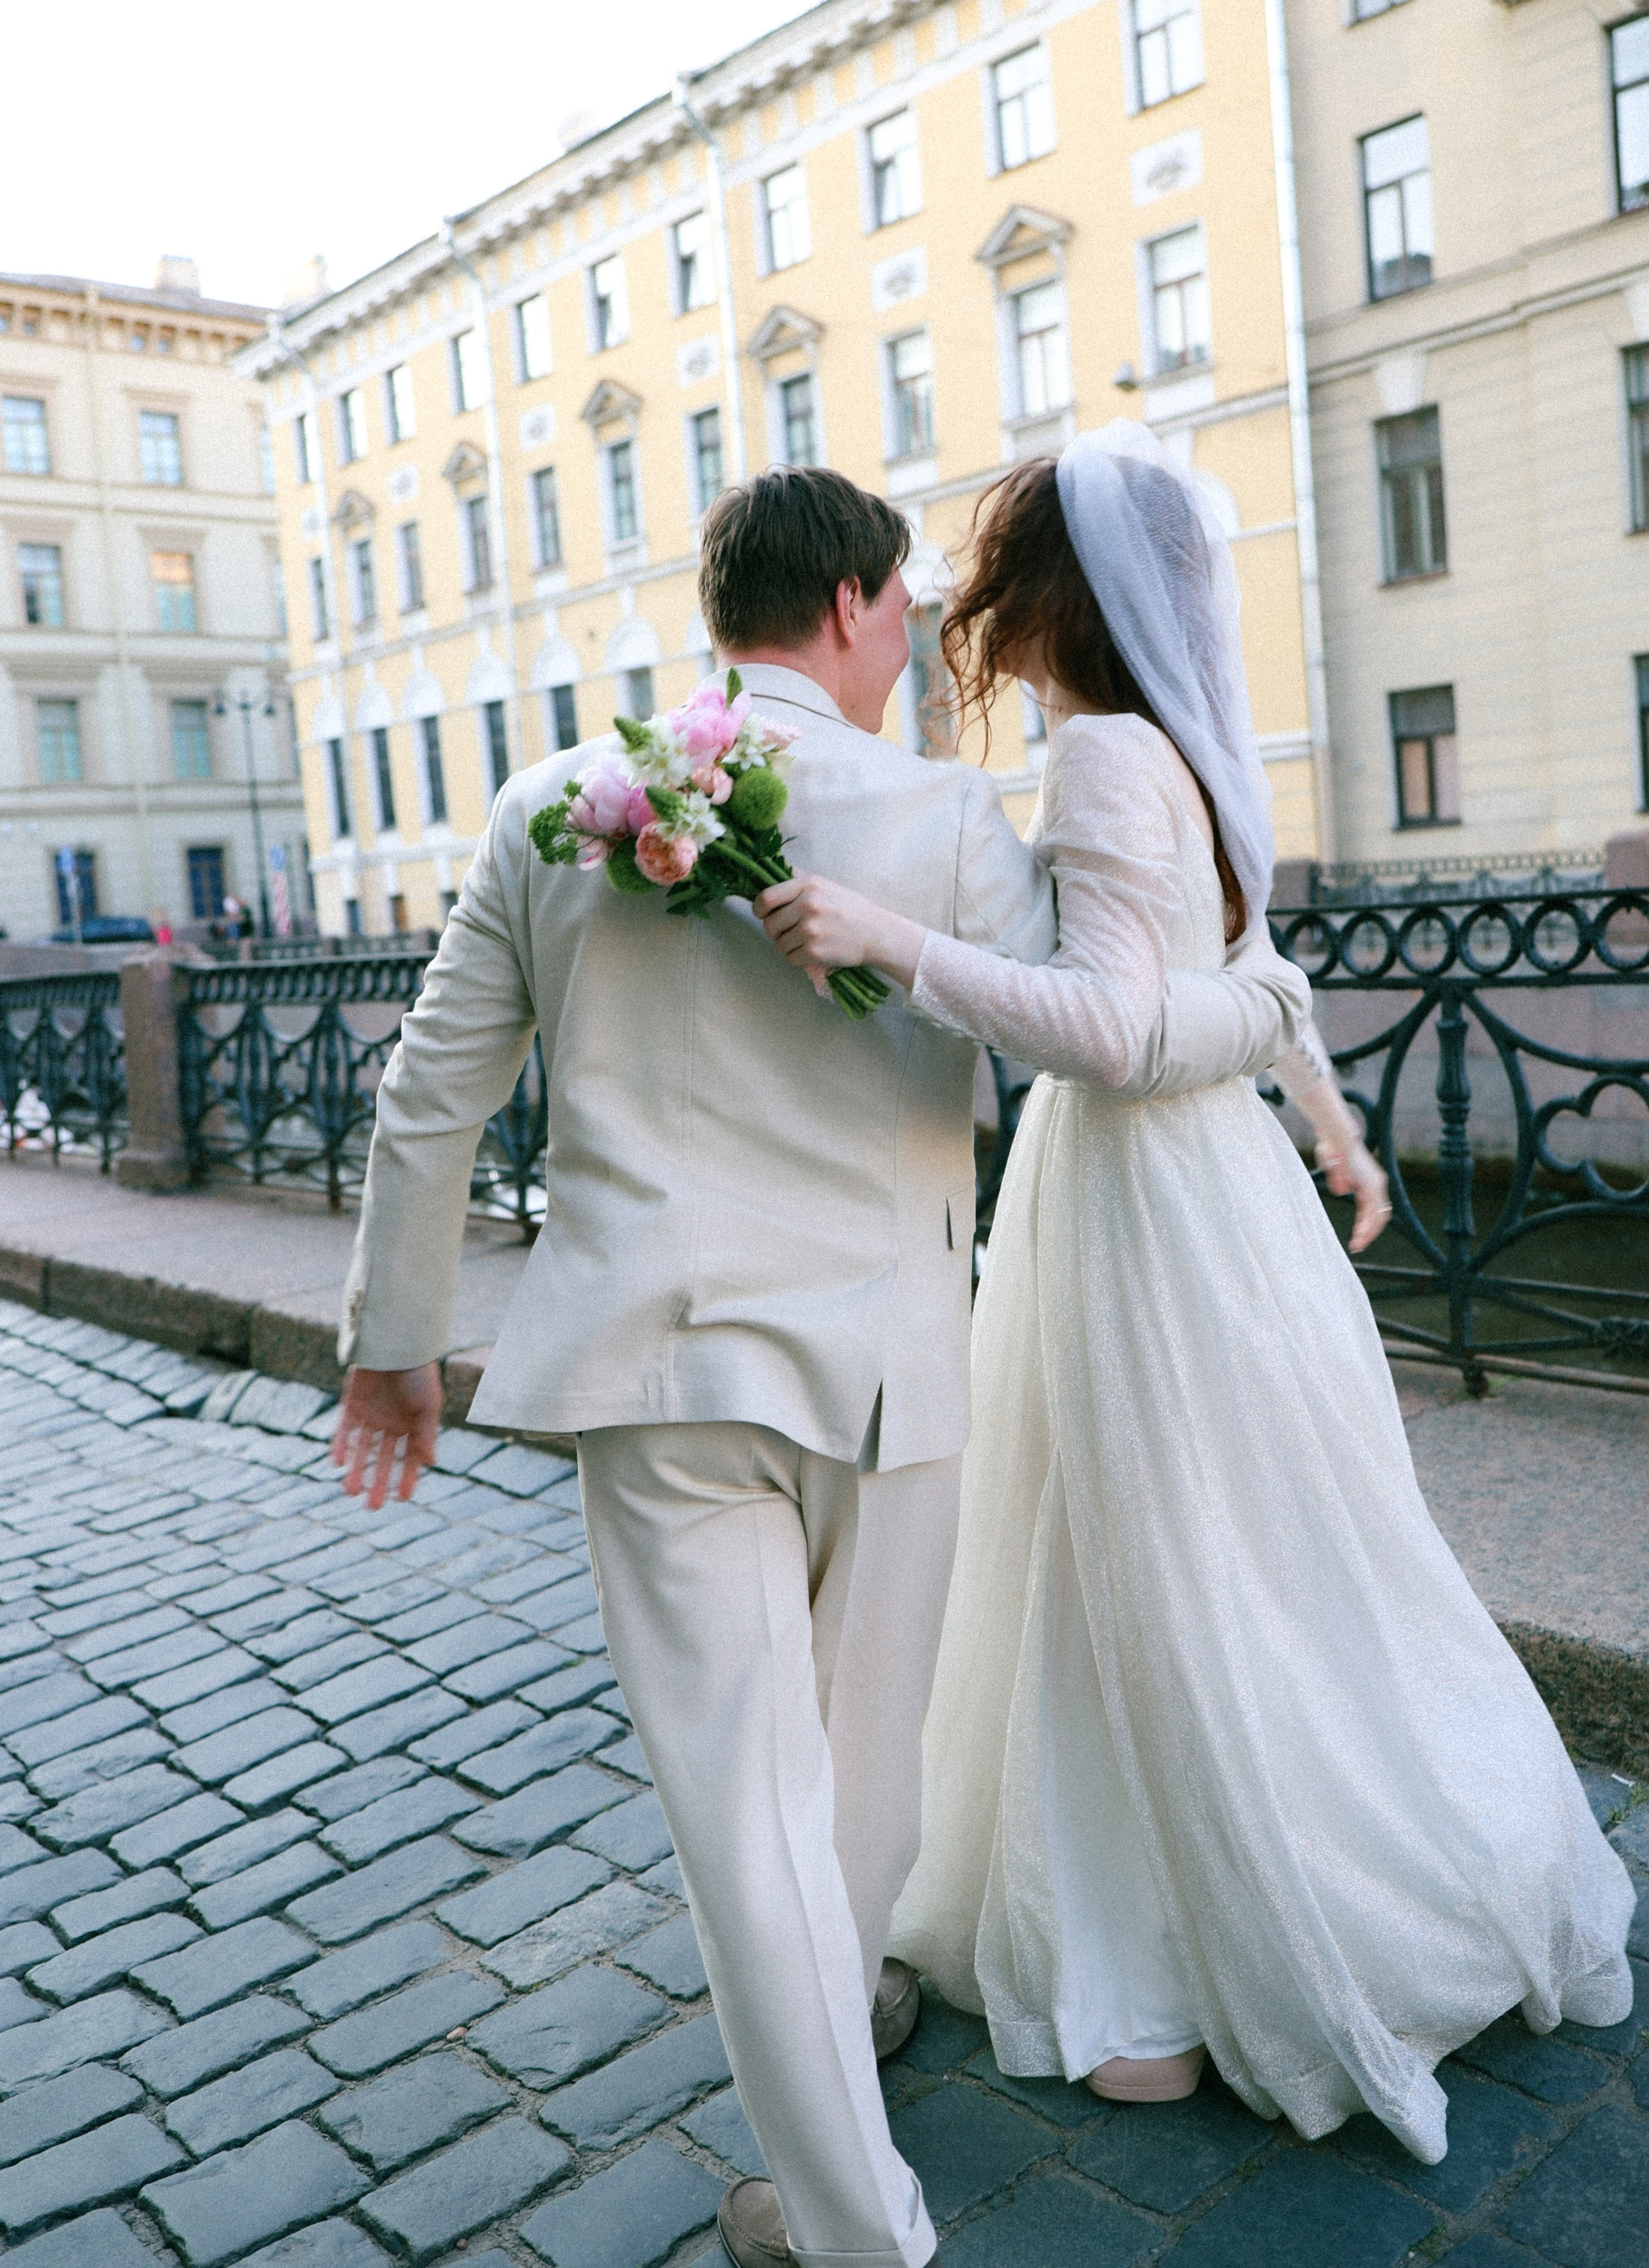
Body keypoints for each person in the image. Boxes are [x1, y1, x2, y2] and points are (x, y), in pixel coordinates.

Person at [326, 464, 1311, 2268]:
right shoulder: (943, 821)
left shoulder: (556, 807)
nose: (912, 652)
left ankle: (845, 2194)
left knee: (744, 1800)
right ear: (853, 603)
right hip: (887, 1371)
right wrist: (1270, 1007)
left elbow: (430, 1096)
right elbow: (1113, 1033)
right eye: (905, 617)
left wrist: (395, 1352)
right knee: (860, 1778)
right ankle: (849, 2181)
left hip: (658, 1377)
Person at [756, 425, 1634, 2166]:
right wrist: (1336, 1138)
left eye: (1002, 586)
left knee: (1126, 1558)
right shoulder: (1197, 751)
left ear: (1057, 601)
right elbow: (1264, 980)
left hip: (1138, 1206)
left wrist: (892, 944)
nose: (978, 615)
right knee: (1260, 1550)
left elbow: (1120, 1031)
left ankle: (1142, 1969)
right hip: (1232, 1203)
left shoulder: (1097, 761)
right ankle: (1193, 1926)